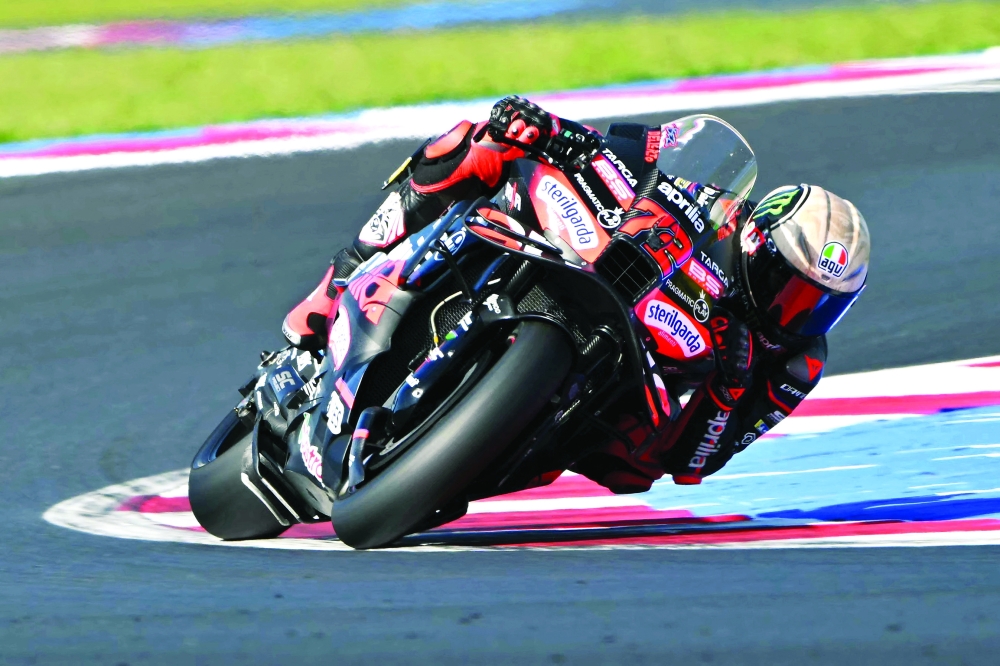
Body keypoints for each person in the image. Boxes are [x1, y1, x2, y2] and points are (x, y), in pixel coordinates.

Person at [281, 96, 871, 492]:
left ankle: (462, 445)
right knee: (480, 144)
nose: (792, 312)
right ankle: (340, 279)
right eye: (787, 288)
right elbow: (625, 148)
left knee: (630, 469)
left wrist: (729, 389)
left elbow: (693, 467)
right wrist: (549, 129)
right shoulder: (713, 207)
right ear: (756, 240)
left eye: (817, 305)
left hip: (622, 420)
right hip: (599, 271)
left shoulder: (794, 361)